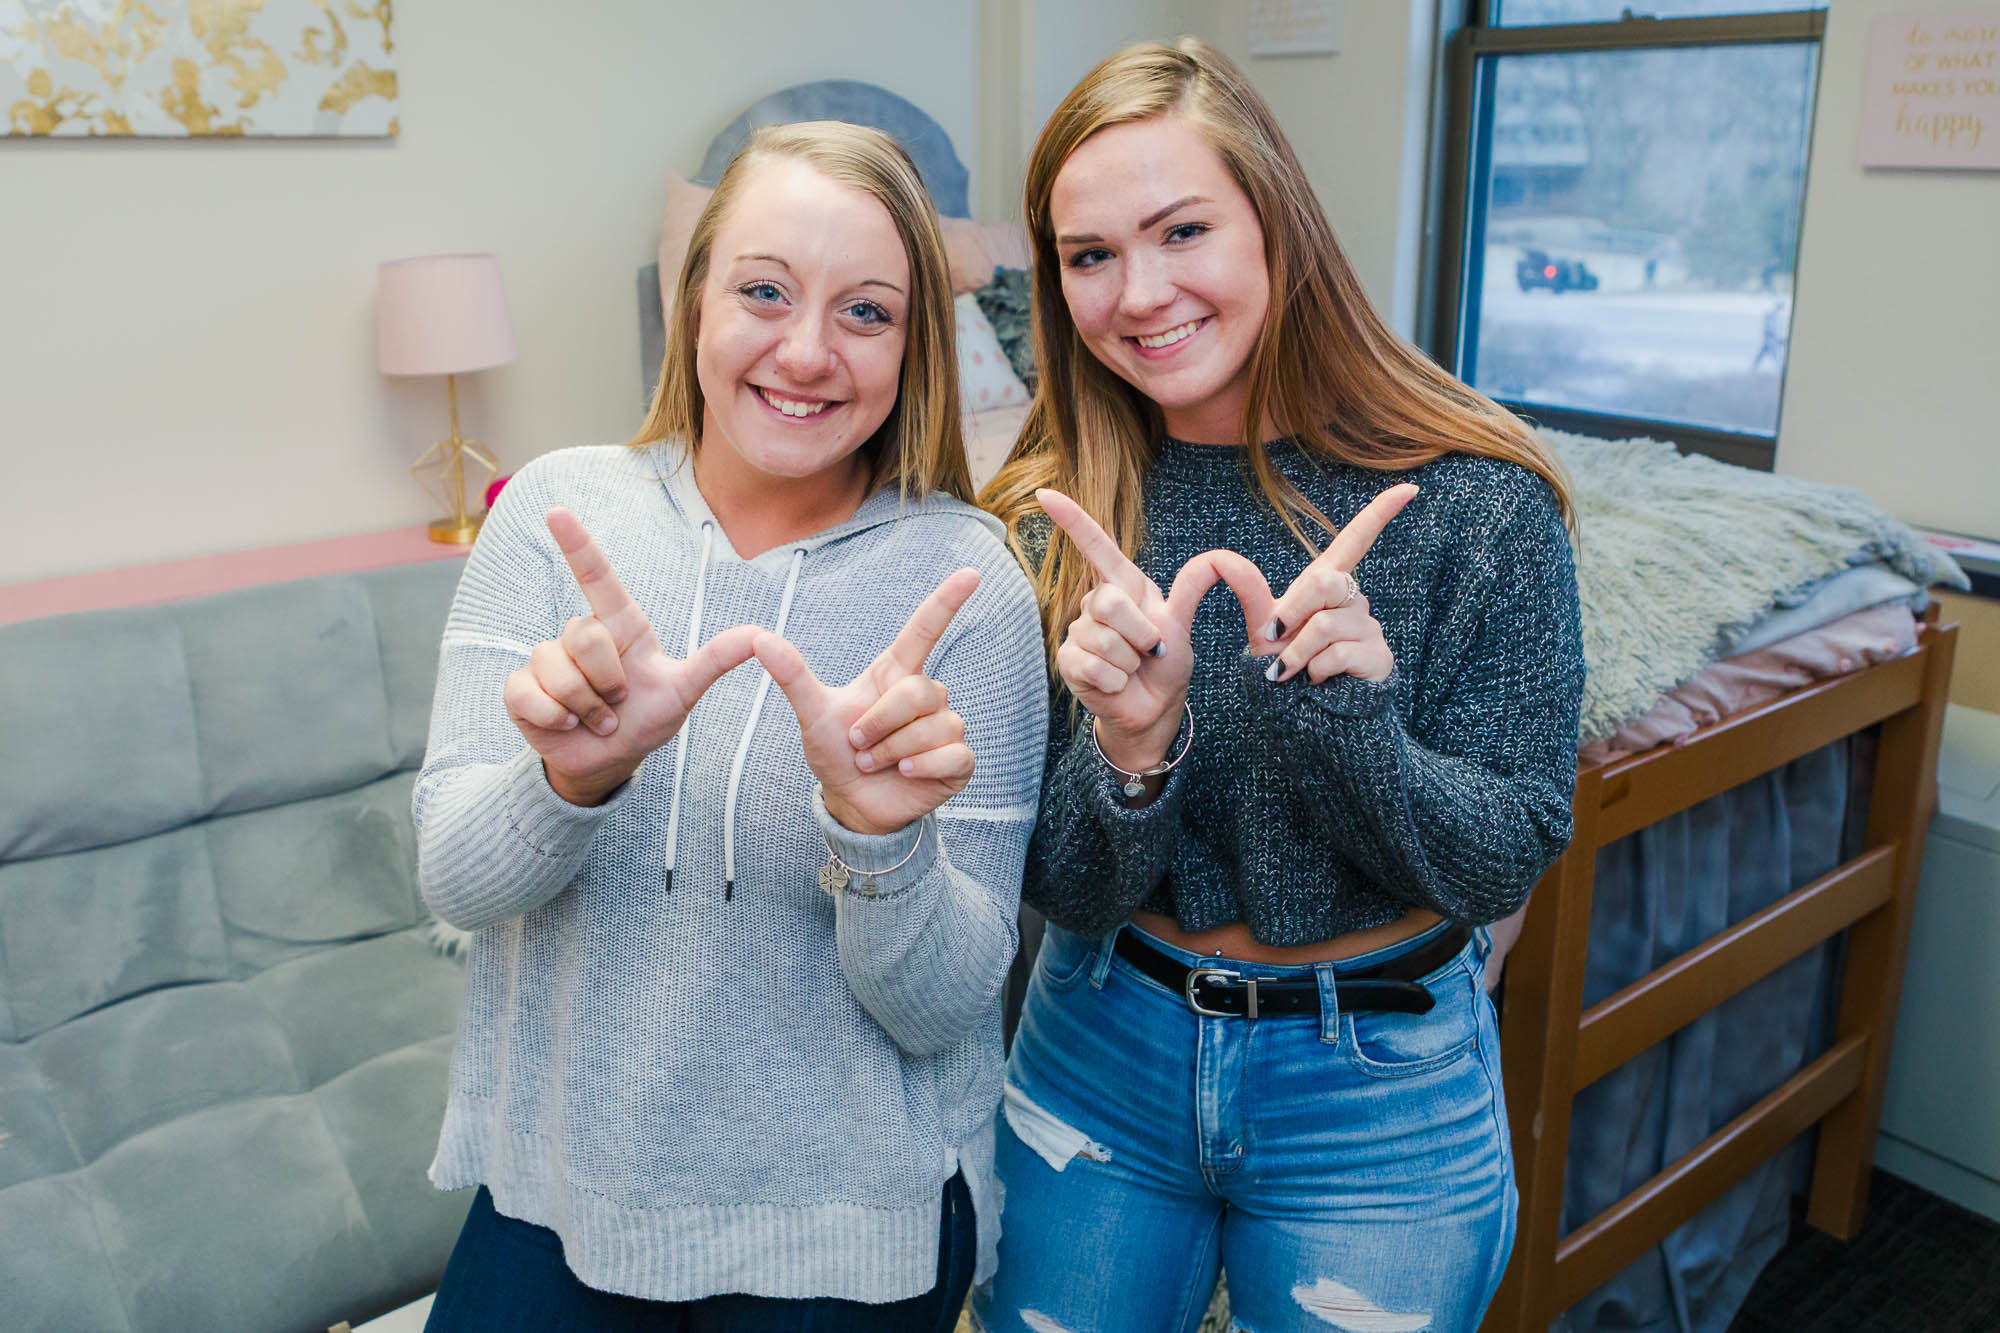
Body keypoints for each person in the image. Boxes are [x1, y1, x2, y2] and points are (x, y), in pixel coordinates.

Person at [971, 40, 1585, 1333]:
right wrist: (1133, 750)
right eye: (1089, 256)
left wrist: (1355, 723)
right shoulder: (1047, 514)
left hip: (1375, 1090)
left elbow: (1502, 860)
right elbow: (1062, 889)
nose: (1139, 293)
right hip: (1100, 1048)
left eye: (1182, 229)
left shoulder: (1481, 504)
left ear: (1276, 225)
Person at [414, 121, 1046, 1332]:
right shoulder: (557, 512)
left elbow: (939, 1005)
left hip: (850, 1223)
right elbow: (455, 875)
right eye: (763, 290)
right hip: (561, 1186)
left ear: (913, 347)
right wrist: (573, 777)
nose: (805, 353)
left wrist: (877, 837)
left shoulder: (967, 586)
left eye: (865, 312)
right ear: (693, 299)